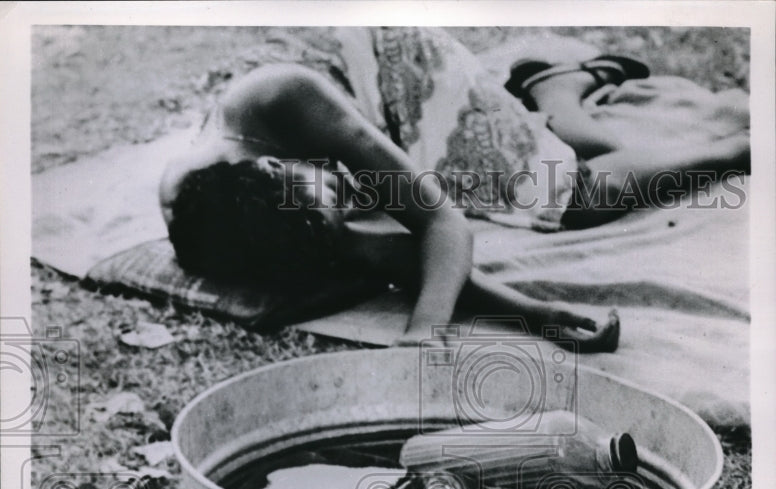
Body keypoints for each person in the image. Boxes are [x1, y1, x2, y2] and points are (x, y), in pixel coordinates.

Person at [159, 28, 749, 351]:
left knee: (576, 195)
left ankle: (735, 147)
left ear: (271, 169)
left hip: (389, 64)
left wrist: (426, 330)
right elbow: (381, 252)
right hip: (353, 118)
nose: (347, 195)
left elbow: (438, 223)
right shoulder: (221, 224)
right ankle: (550, 92)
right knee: (563, 164)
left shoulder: (280, 97)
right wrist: (535, 313)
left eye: (335, 192)